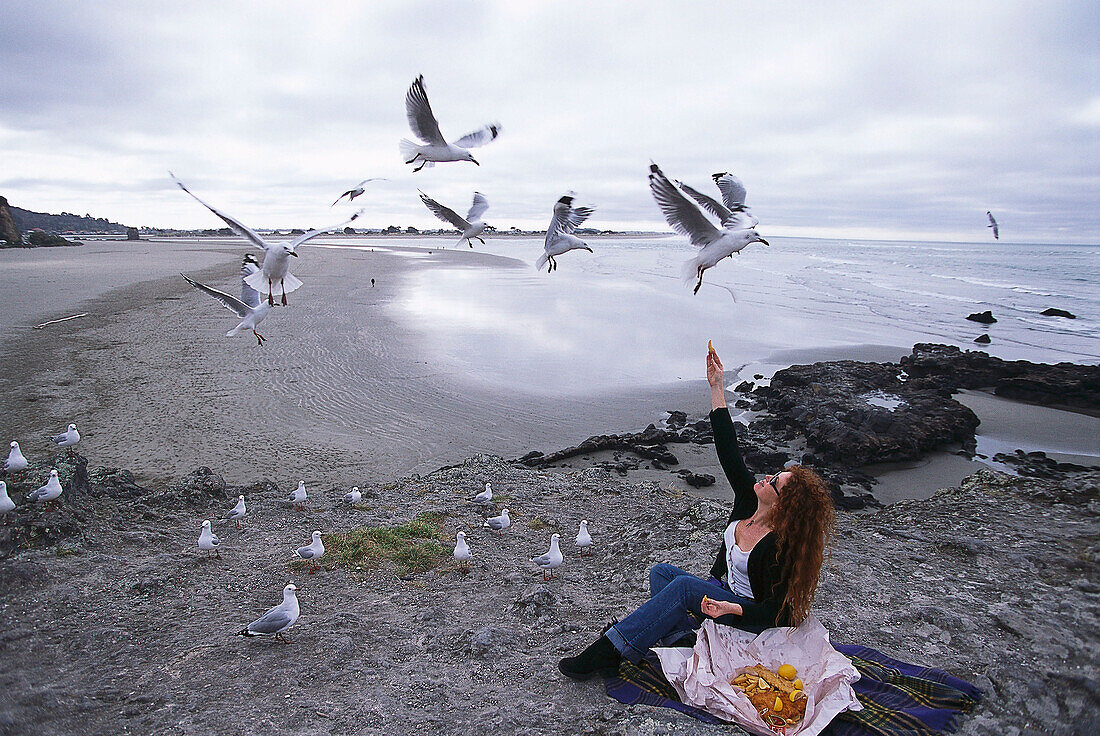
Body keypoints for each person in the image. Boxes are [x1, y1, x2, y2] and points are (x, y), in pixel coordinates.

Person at [559, 345, 836, 680]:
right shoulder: (749, 502)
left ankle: (610, 650)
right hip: (715, 598)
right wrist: (716, 387)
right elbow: (728, 450)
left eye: (775, 482)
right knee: (662, 573)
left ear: (783, 506)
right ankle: (682, 639)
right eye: (774, 474)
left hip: (742, 619)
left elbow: (776, 612)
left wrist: (732, 607)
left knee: (683, 589)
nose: (767, 477)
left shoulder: (779, 545)